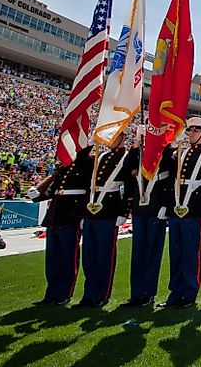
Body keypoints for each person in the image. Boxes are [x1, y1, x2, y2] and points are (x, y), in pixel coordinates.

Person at [74, 129, 140, 308]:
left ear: (123, 138)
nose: (110, 140)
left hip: (109, 209)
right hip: (92, 210)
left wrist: (123, 212)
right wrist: (89, 143)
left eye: (115, 136)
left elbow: (129, 186)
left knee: (104, 256)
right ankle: (88, 294)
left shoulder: (127, 157)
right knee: (89, 256)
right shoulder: (101, 156)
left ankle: (100, 295)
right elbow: (86, 174)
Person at [158, 117, 201, 308]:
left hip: (194, 208)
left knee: (191, 253)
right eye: (189, 130)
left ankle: (189, 293)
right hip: (176, 208)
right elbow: (166, 172)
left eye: (194, 130)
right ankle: (175, 293)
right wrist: (171, 146)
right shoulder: (181, 153)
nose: (190, 133)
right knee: (175, 253)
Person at [28, 148, 91, 305]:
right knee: (53, 260)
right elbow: (51, 190)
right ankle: (51, 293)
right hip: (54, 216)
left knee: (68, 258)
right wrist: (40, 190)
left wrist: (83, 213)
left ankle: (64, 293)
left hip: (71, 216)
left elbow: (88, 190)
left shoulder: (86, 164)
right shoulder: (63, 167)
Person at [122, 125, 172, 308]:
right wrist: (136, 143)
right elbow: (126, 167)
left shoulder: (165, 154)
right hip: (139, 209)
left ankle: (148, 293)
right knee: (138, 254)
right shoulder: (140, 154)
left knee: (152, 253)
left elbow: (171, 175)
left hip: (156, 209)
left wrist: (166, 205)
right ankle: (136, 293)